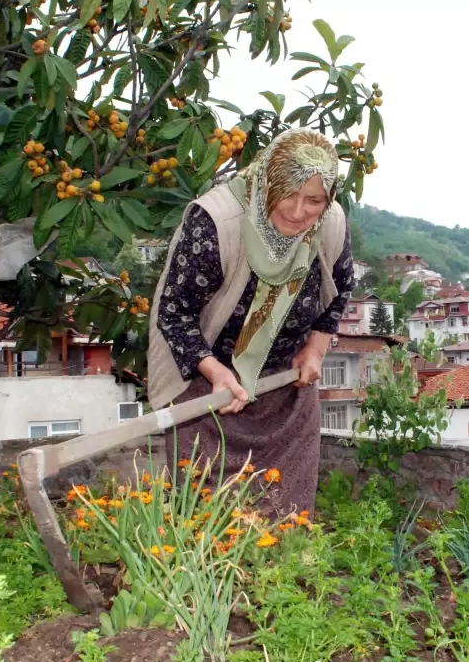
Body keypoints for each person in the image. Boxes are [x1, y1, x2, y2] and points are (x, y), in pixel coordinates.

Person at [146, 128, 355, 517]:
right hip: (206, 391)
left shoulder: (330, 224)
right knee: (207, 514)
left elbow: (340, 291)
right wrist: (216, 374)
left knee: (287, 510)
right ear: (266, 182)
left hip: (284, 389)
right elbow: (174, 314)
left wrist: (314, 349)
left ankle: (280, 575)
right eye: (287, 194)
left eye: (313, 200)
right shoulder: (216, 222)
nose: (297, 211)